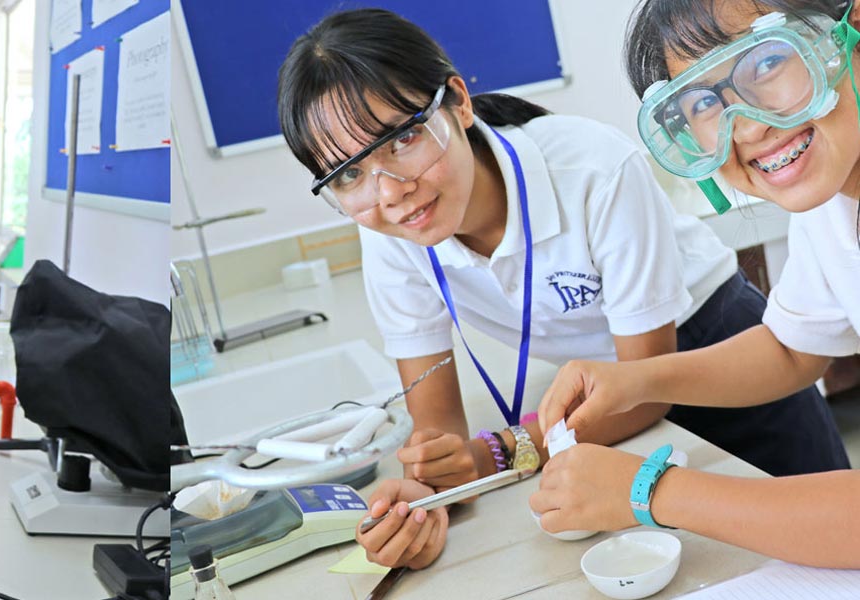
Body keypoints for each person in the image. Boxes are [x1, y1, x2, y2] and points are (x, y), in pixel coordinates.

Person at [274, 7, 847, 569]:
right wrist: (426, 500)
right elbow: (439, 431)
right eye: (349, 173)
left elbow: (701, 387)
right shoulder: (827, 212)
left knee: (805, 551)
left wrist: (506, 454)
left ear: (458, 102)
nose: (390, 190)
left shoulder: (592, 168)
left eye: (402, 139)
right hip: (628, 398)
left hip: (713, 344)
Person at [533, 0, 860, 570]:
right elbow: (792, 350)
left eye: (767, 62)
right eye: (704, 102)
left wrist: (652, 492)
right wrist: (636, 381)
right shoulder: (829, 203)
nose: (748, 126)